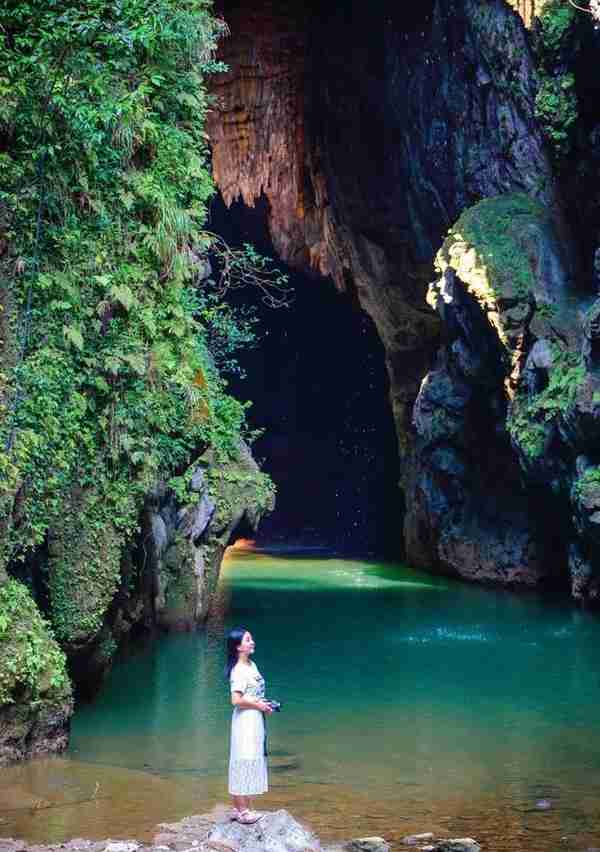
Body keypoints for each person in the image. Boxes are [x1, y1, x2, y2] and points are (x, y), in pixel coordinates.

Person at [225, 626, 273, 824]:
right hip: (245, 721)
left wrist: (265, 705)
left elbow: (253, 694)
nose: (252, 642)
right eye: (247, 640)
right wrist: (257, 704)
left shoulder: (252, 666)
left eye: (251, 639)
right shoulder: (238, 670)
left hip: (255, 719)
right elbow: (236, 700)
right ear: (238, 647)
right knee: (243, 758)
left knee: (252, 756)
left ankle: (243, 807)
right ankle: (242, 811)